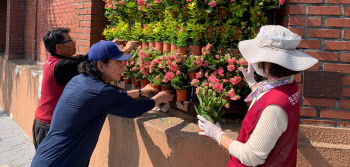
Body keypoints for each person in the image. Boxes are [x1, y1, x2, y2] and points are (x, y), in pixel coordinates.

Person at [31, 40, 173, 167]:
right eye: (118, 62)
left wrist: (141, 92)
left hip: (46, 157)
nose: (123, 66)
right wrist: (159, 98)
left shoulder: (80, 81)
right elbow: (134, 109)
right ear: (100, 65)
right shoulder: (99, 91)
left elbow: (115, 97)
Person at [197, 25, 318, 167]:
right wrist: (252, 83)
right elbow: (269, 101)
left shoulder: (275, 107)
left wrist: (218, 134)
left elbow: (251, 157)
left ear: (268, 62)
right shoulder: (289, 86)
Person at [32, 28, 138, 150]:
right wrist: (123, 52)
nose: (73, 42)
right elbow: (92, 64)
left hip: (46, 123)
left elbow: (85, 58)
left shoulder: (56, 61)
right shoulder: (61, 66)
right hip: (48, 126)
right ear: (59, 48)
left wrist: (111, 45)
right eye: (69, 40)